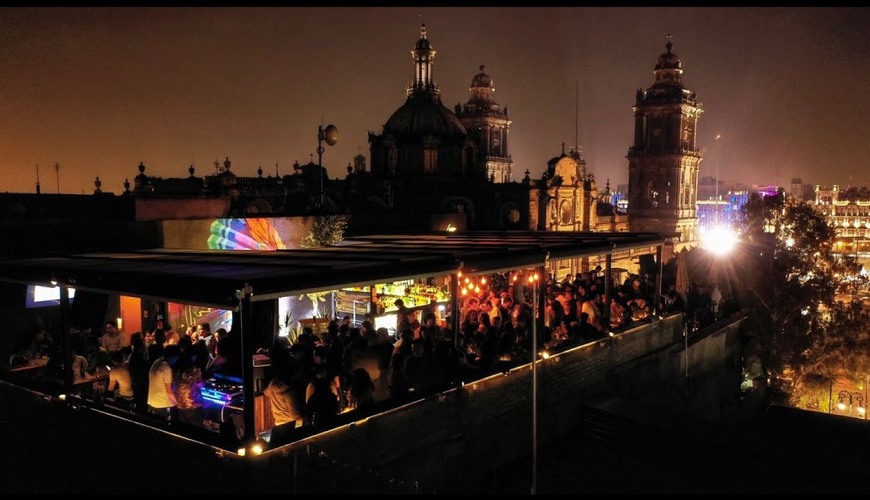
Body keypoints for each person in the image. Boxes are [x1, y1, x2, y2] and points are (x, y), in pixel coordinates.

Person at [147, 344, 180, 422]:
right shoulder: (166, 369)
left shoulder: (157, 362)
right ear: (173, 356)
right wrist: (177, 403)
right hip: (164, 404)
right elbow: (169, 391)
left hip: (153, 402)